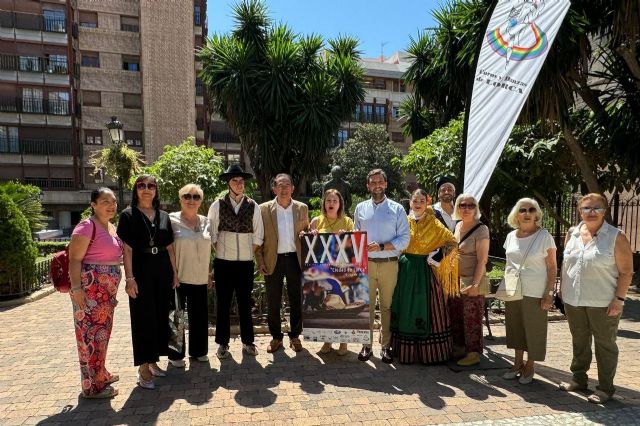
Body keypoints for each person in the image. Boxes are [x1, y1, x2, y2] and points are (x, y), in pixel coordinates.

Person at [559, 193, 634, 404]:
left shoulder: (616, 236)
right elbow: (566, 264)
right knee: (579, 342)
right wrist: (562, 290)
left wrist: (619, 299)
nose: (591, 212)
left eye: (597, 208)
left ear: (605, 211)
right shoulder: (572, 233)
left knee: (605, 345)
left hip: (603, 302)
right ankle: (578, 380)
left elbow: (626, 272)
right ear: (579, 211)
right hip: (574, 299)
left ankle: (605, 388)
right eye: (586, 208)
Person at [117, 175, 179, 390]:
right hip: (141, 270)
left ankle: (153, 362)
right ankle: (143, 367)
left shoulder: (163, 216)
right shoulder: (128, 215)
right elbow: (127, 249)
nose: (146, 189)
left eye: (151, 186)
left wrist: (175, 273)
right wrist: (130, 278)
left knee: (160, 316)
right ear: (135, 190)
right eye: (141, 185)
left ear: (156, 190)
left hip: (162, 269)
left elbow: (170, 247)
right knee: (143, 318)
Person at [390, 189, 458, 364]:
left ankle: (430, 354)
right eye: (415, 200)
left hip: (425, 272)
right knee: (405, 307)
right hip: (405, 270)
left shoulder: (434, 223)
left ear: (427, 202)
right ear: (410, 202)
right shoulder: (403, 221)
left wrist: (437, 255)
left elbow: (452, 242)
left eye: (421, 200)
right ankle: (403, 351)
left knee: (427, 308)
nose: (418, 203)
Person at [68, 188, 123, 399]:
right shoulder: (86, 227)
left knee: (102, 335)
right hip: (89, 292)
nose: (111, 206)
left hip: (105, 296)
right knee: (90, 337)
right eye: (104, 202)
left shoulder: (111, 227)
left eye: (113, 202)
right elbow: (74, 260)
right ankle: (93, 386)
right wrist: (76, 289)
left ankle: (100, 373)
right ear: (93, 204)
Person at [353, 169, 410, 363]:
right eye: (373, 182)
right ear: (368, 186)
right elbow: (356, 235)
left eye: (380, 181)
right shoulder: (360, 208)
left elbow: (404, 239)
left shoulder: (397, 209)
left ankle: (386, 346)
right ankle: (366, 346)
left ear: (386, 184)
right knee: (366, 307)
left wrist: (383, 246)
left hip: (388, 264)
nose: (377, 185)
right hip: (366, 265)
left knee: (386, 307)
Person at [208, 165, 264, 359]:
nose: (239, 184)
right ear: (228, 184)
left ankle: (248, 342)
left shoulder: (253, 205)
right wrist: (223, 252)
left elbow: (258, 235)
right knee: (223, 304)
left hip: (245, 264)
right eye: (235, 181)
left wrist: (247, 253)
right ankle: (223, 343)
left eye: (241, 181)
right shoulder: (217, 205)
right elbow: (212, 233)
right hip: (223, 263)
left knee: (244, 303)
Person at [502, 198, 557, 384]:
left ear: (537, 214)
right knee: (515, 327)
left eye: (531, 209)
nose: (526, 213)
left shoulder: (544, 236)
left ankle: (530, 365)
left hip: (535, 291)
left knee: (534, 330)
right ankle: (517, 363)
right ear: (516, 214)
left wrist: (549, 293)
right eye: (522, 209)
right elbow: (509, 264)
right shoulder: (510, 236)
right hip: (513, 290)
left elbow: (552, 267)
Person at [256, 173, 309, 353]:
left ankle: (295, 336)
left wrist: (309, 234)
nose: (284, 189)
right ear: (274, 189)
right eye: (280, 185)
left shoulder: (302, 208)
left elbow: (308, 233)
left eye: (287, 185)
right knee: (273, 301)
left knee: (297, 299)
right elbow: (258, 238)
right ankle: (276, 337)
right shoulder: (263, 209)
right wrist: (260, 260)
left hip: (295, 259)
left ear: (293, 188)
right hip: (273, 260)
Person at [168, 184, 213, 368]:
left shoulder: (206, 221)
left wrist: (209, 273)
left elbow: (209, 249)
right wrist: (172, 273)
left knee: (200, 316)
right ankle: (175, 354)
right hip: (178, 277)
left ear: (200, 201)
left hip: (200, 277)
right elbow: (168, 248)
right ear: (181, 199)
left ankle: (199, 351)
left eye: (196, 197)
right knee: (176, 317)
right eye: (187, 196)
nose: (191, 200)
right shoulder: (171, 220)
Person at [309, 189, 355, 356]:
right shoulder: (316, 221)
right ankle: (327, 341)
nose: (331, 203)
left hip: (341, 270)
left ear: (340, 204)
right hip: (323, 270)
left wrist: (348, 236)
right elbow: (309, 245)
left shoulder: (348, 221)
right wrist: (309, 234)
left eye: (335, 201)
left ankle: (344, 342)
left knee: (340, 304)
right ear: (324, 203)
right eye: (329, 200)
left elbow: (354, 246)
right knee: (326, 305)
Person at [450, 193, 489, 366]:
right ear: (458, 208)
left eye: (471, 205)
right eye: (462, 205)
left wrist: (475, 284)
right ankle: (460, 349)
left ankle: (473, 353)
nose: (466, 209)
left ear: (476, 208)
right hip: (456, 279)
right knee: (457, 316)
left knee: (472, 318)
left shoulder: (481, 229)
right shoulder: (458, 226)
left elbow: (482, 260)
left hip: (472, 279)